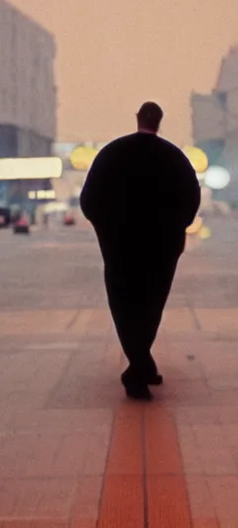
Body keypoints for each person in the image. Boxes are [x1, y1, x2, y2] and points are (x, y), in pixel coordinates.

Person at [79, 102, 201, 400]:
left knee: (124, 304)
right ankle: (141, 363)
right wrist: (174, 229)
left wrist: (106, 229)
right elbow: (191, 199)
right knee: (151, 304)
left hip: (120, 246)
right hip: (161, 246)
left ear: (137, 119)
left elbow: (89, 200)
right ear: (159, 121)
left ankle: (139, 365)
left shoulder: (112, 154)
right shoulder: (174, 157)